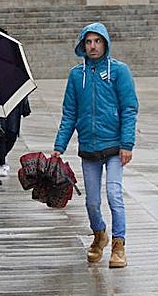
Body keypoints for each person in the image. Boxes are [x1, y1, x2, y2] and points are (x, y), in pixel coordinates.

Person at [52, 23, 139, 269]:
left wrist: (127, 143)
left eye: (97, 41)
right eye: (88, 42)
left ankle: (119, 244)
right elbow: (69, 112)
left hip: (114, 146)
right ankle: (99, 234)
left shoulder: (119, 71)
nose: (92, 46)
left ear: (105, 44)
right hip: (89, 147)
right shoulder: (76, 75)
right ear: (82, 45)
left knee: (113, 193)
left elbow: (129, 108)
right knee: (91, 201)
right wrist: (60, 145)